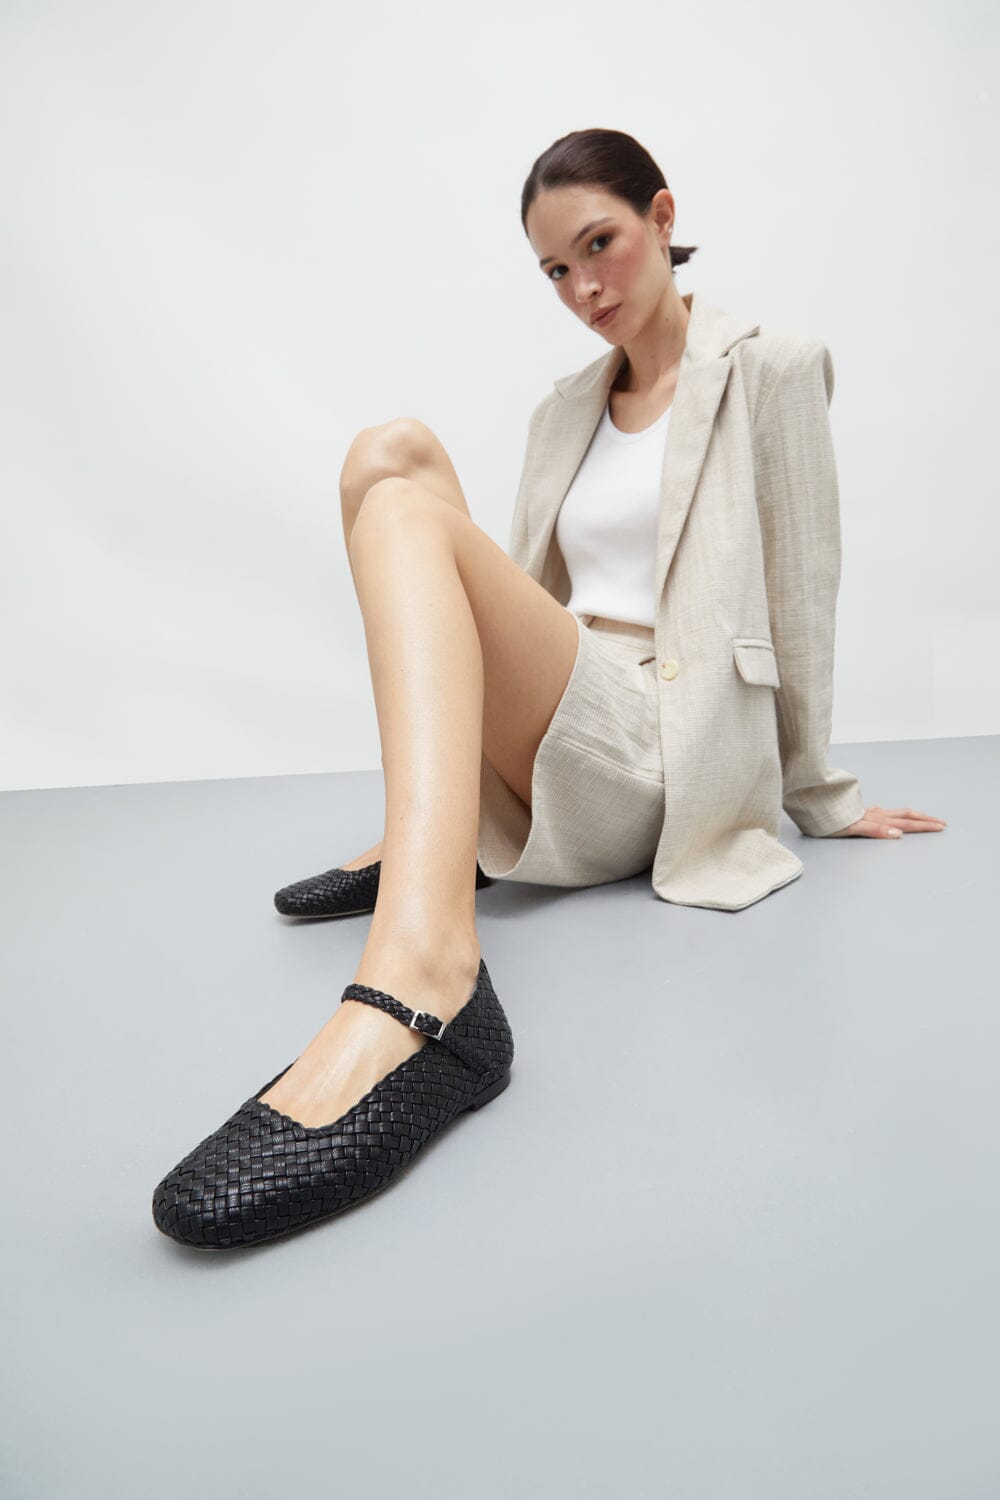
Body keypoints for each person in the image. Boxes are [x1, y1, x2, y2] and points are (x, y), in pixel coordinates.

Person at [152, 128, 947, 1249]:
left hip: (665, 737)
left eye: (600, 245)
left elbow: (805, 590)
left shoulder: (768, 368)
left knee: (407, 511)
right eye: (555, 271)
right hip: (578, 691)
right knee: (389, 454)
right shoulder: (565, 406)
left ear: (662, 217)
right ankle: (440, 835)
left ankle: (429, 966)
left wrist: (818, 792)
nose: (583, 290)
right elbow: (530, 596)